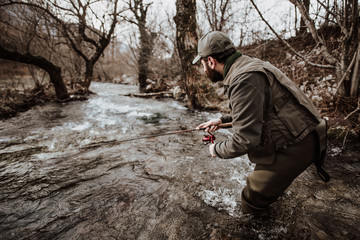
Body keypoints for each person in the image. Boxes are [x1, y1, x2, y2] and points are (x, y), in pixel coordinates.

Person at [193, 31, 329, 214]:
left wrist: (215, 149)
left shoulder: (243, 79)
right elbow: (259, 110)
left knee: (251, 198)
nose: (204, 70)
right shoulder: (249, 65)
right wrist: (222, 120)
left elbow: (244, 141)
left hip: (298, 144)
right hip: (309, 132)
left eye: (202, 63)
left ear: (210, 61)